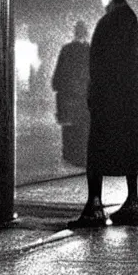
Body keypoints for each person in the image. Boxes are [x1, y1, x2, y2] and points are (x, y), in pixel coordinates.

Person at [67, 0, 138, 229]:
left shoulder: (110, 21)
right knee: (129, 151)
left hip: (109, 101)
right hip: (128, 101)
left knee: (96, 152)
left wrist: (94, 96)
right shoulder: (130, 19)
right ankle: (132, 203)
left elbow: (101, 65)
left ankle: (94, 206)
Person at [52, 20, 91, 167]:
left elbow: (58, 76)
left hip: (68, 96)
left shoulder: (67, 50)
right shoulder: (90, 50)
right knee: (84, 128)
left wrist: (59, 88)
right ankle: (83, 157)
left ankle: (71, 156)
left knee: (69, 129)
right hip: (85, 98)